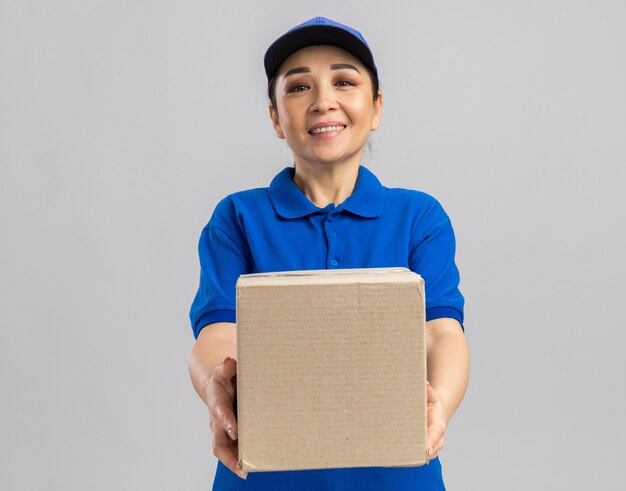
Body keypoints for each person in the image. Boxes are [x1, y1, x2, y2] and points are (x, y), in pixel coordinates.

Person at [188, 16, 470, 491]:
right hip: (261, 476)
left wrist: (439, 402)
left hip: (397, 476)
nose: (323, 101)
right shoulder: (238, 217)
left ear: (376, 107)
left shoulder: (418, 217)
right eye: (298, 88)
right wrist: (217, 388)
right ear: (276, 117)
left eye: (344, 81)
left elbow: (443, 332)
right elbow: (218, 332)